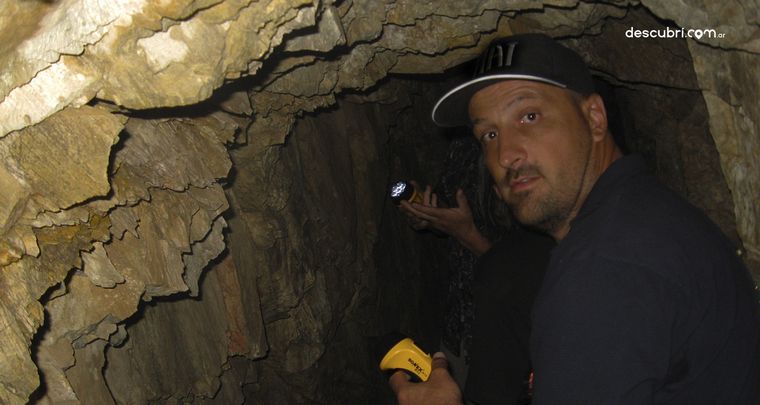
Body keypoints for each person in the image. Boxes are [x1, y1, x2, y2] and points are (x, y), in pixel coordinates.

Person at [390, 33, 760, 404]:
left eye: (529, 116)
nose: (505, 154)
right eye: (489, 133)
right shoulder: (643, 212)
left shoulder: (601, 273)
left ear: (594, 117)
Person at [399, 152, 554, 403]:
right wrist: (430, 215)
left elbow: (532, 274)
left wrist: (467, 235)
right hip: (457, 320)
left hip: (505, 332)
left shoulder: (535, 165)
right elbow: (451, 206)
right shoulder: (462, 149)